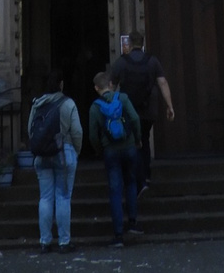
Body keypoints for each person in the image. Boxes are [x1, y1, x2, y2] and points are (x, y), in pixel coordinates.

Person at [109, 30, 174, 193]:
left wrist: (110, 107)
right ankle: (146, 175)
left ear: (129, 44)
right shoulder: (153, 61)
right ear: (143, 43)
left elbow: (111, 86)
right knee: (144, 139)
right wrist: (169, 105)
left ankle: (137, 179)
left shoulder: (121, 62)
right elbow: (163, 83)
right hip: (148, 110)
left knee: (131, 142)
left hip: (129, 111)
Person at [27, 69, 82, 252]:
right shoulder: (67, 104)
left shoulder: (37, 104)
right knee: (63, 197)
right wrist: (76, 150)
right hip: (63, 154)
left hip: (42, 156)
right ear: (61, 84)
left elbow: (31, 131)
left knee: (45, 198)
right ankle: (64, 242)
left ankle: (45, 241)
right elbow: (77, 132)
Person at [89, 71, 142, 246]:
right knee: (131, 183)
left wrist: (99, 149)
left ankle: (118, 235)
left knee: (115, 190)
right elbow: (134, 118)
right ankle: (133, 222)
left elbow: (92, 135)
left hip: (110, 151)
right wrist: (138, 139)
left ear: (97, 88)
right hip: (129, 147)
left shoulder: (95, 107)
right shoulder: (123, 99)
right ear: (111, 84)